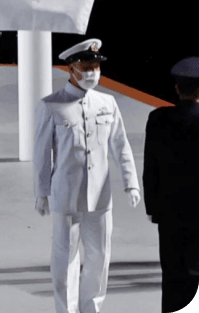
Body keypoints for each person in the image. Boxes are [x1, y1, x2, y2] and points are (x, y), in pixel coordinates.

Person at [33, 38, 141, 313]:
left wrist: (131, 183)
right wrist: (41, 192)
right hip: (66, 195)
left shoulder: (107, 102)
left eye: (96, 66)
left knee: (99, 258)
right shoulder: (52, 105)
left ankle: (92, 308)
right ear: (71, 68)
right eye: (87, 66)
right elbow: (43, 153)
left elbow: (120, 145)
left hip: (101, 197)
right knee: (65, 258)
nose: (93, 72)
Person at [143, 57, 199, 313]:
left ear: (177, 88)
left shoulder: (158, 119)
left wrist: (153, 209)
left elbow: (150, 168)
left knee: (173, 274)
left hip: (169, 213)